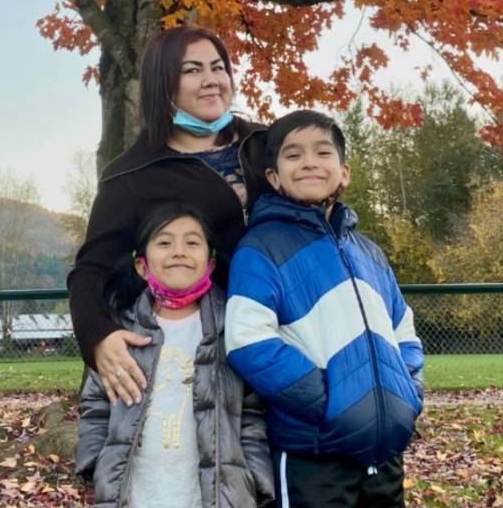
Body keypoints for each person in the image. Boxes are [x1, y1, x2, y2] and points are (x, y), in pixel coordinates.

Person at [225, 110, 424, 508]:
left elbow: (403, 328)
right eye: (293, 155)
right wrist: (331, 403)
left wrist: (407, 396)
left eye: (322, 152)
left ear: (344, 171)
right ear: (274, 177)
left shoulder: (368, 252)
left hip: (383, 455)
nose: (310, 162)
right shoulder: (260, 248)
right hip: (312, 455)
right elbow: (248, 341)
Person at [68, 25, 272, 407]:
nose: (211, 81)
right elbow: (91, 271)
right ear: (164, 84)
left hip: (287, 336)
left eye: (218, 68)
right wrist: (98, 337)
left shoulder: (268, 145)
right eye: (192, 70)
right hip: (207, 357)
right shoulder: (131, 175)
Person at [76, 203, 274, 508]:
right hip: (134, 496)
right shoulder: (119, 332)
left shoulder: (232, 329)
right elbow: (95, 405)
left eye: (192, 242)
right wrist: (94, 465)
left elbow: (252, 413)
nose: (179, 251)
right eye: (164, 242)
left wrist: (253, 480)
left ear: (210, 262)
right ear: (141, 265)